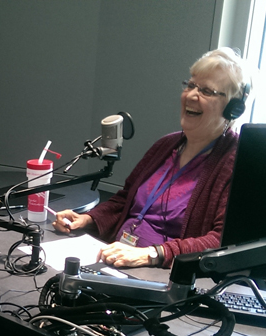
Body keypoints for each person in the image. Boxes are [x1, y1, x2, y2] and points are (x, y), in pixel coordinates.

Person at [52, 48, 253, 269]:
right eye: (191, 85)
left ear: (233, 109)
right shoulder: (166, 145)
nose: (191, 95)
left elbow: (220, 241)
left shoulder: (236, 163)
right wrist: (88, 219)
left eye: (206, 90)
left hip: (165, 277)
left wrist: (151, 254)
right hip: (116, 259)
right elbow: (125, 200)